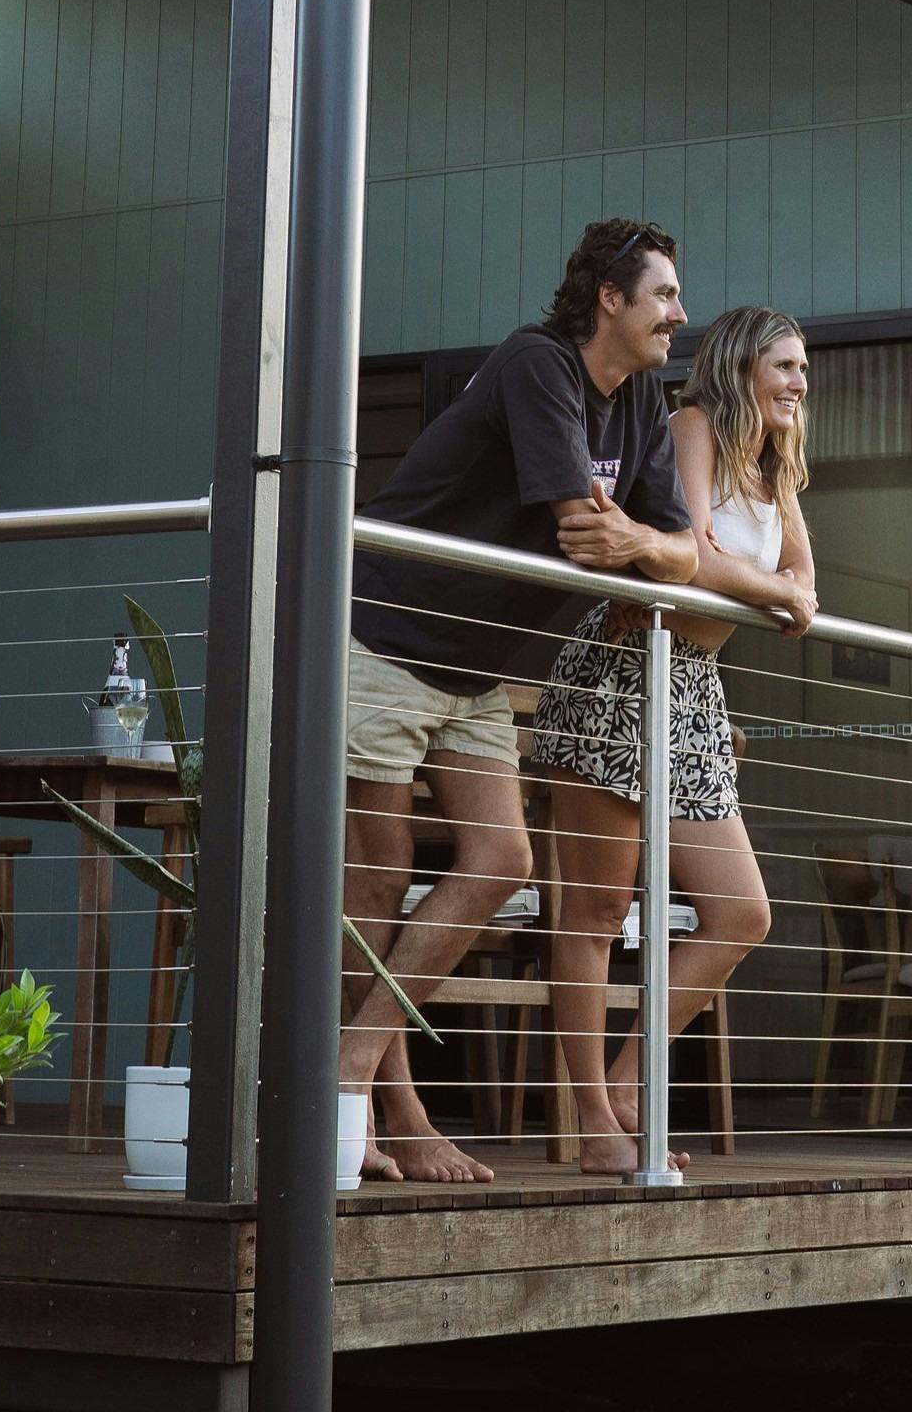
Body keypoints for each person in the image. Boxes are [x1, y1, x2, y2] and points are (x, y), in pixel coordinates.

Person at [339, 219, 700, 1183]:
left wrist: (644, 545)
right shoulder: (538, 363)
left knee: (502, 859)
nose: (680, 313)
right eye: (664, 294)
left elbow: (679, 553)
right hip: (386, 633)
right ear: (610, 300)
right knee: (376, 880)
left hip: (477, 670)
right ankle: (393, 1114)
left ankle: (351, 1068)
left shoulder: (644, 399)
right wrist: (639, 547)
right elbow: (580, 526)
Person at [530, 305, 816, 1174]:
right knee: (597, 911)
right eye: (785, 366)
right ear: (739, 367)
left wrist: (772, 586)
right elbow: (689, 555)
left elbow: (805, 583)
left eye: (803, 369)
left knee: (741, 912)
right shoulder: (692, 427)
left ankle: (625, 1086)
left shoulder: (775, 471)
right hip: (625, 662)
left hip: (693, 686)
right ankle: (595, 1122)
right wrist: (771, 589)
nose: (799, 383)